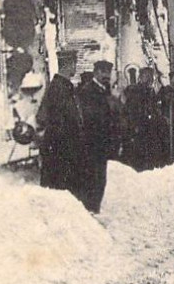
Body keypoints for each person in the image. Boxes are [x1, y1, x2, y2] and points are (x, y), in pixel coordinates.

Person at [36, 48, 84, 200]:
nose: (75, 67)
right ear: (70, 65)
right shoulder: (60, 89)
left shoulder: (58, 87)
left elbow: (41, 117)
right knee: (60, 194)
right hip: (61, 152)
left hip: (59, 150)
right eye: (74, 63)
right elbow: (65, 120)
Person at [77, 60, 117, 213]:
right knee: (93, 178)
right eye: (103, 72)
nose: (106, 75)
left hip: (101, 143)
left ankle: (94, 207)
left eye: (108, 72)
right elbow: (92, 117)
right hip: (92, 142)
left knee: (100, 178)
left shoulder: (104, 90)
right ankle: (91, 208)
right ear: (96, 73)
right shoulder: (88, 91)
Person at [122, 66, 163, 170]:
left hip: (150, 128)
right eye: (146, 76)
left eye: (151, 76)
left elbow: (154, 108)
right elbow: (129, 110)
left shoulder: (151, 91)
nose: (149, 79)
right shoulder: (134, 90)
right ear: (140, 77)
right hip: (138, 128)